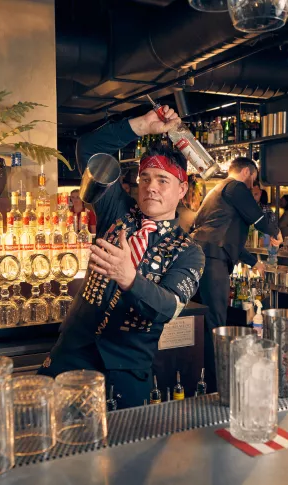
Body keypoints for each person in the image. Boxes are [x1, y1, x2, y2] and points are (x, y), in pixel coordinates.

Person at [38, 106, 205, 409]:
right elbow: (89, 149)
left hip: (125, 371)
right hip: (72, 353)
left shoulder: (189, 251)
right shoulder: (117, 210)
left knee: (122, 455)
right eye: (145, 178)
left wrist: (129, 279)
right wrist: (141, 125)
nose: (151, 187)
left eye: (162, 181)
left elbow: (168, 307)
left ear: (182, 190)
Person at [191, 157, 282, 392]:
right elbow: (259, 217)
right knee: (215, 323)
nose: (253, 185)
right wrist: (275, 230)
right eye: (253, 179)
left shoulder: (218, 192)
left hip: (202, 256)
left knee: (202, 320)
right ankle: (215, 385)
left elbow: (226, 236)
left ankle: (200, 378)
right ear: (245, 172)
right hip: (212, 260)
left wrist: (254, 262)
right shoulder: (235, 186)